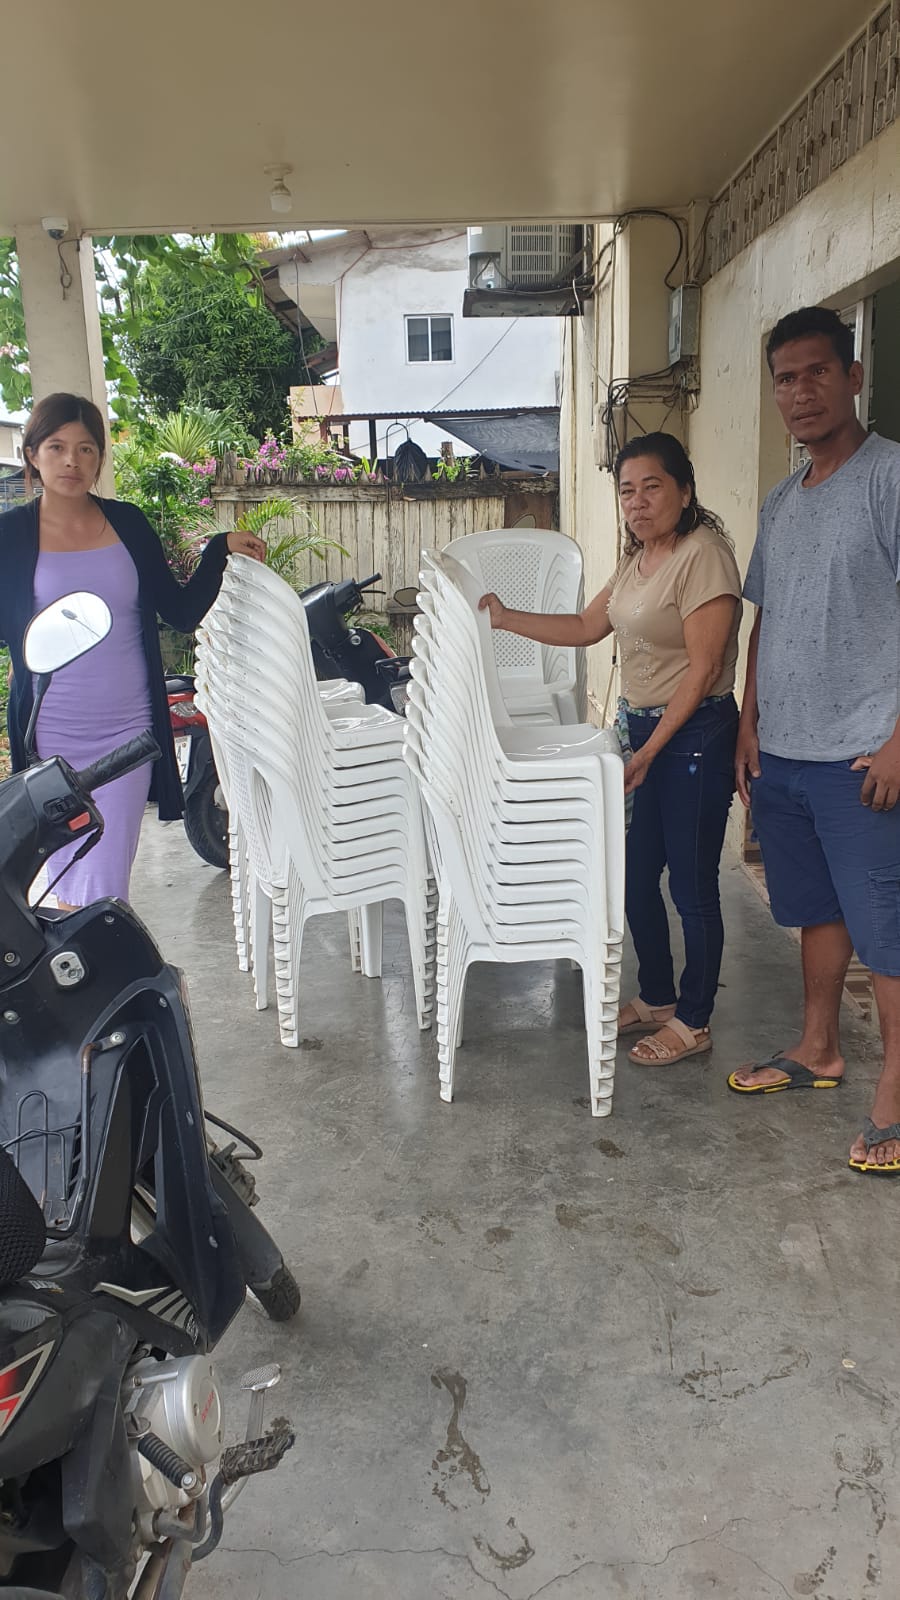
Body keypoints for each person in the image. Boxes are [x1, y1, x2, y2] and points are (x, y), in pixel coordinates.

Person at [479, 433, 742, 1065]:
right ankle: (658, 997)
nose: (638, 502)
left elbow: (704, 669)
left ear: (684, 491)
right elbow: (585, 626)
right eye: (627, 491)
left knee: (692, 884)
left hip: (694, 736)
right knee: (633, 875)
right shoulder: (636, 559)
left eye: (653, 487)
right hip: (641, 733)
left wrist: (649, 752)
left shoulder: (703, 557)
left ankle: (695, 1018)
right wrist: (504, 617)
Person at [728, 305, 900, 1177]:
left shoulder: (890, 478)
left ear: (853, 376)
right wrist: (748, 720)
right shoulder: (781, 500)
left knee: (886, 929)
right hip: (786, 751)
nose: (800, 392)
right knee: (817, 913)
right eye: (785, 379)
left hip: (863, 753)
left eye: (817, 372)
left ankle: (897, 1095)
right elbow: (767, 618)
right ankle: (819, 1048)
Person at [0, 392, 266, 908]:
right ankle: (86, 959)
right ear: (32, 454)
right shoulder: (10, 535)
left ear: (100, 457)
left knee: (104, 882)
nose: (72, 461)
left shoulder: (128, 524)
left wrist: (218, 550)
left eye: (85, 449)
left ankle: (92, 957)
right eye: (57, 447)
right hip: (50, 734)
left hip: (127, 731)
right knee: (66, 880)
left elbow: (179, 611)